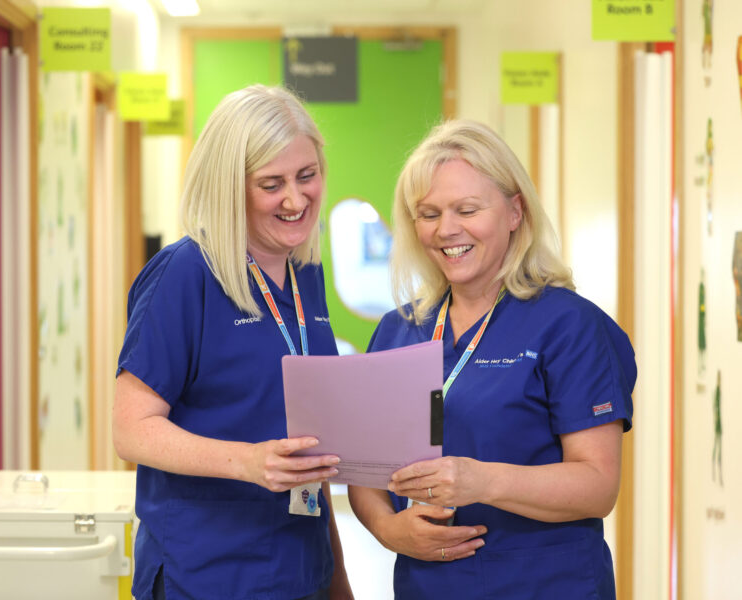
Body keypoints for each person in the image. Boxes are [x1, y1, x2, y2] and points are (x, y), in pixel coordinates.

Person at [348, 119, 636, 599]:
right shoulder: (399, 331)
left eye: (467, 209)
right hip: (430, 586)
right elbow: (365, 473)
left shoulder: (569, 326)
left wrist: (480, 480)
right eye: (429, 214)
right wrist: (387, 528)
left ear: (515, 211)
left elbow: (598, 485)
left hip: (545, 586)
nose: (446, 230)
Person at [113, 85, 353, 600]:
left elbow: (307, 450)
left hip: (300, 569)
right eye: (271, 184)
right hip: (207, 575)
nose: (296, 200)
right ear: (229, 186)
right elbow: (131, 430)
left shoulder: (305, 274)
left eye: (307, 176)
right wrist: (247, 462)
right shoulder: (185, 274)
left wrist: (338, 583)